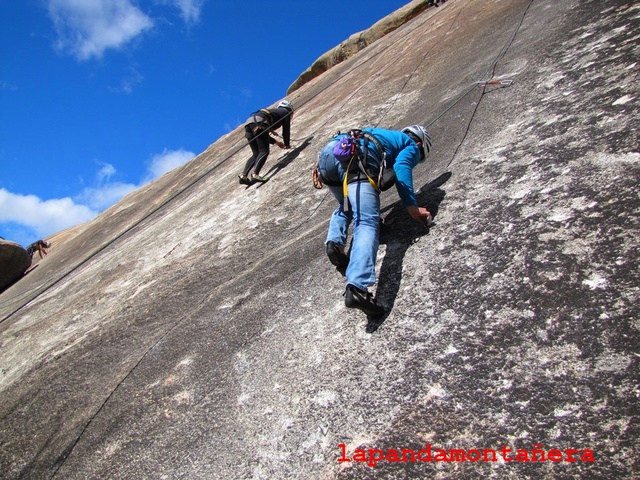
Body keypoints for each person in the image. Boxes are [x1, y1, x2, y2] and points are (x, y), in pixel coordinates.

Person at [316, 126, 433, 316]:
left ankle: (335, 243)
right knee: (366, 222)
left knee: (347, 204)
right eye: (418, 158)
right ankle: (357, 289)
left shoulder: (386, 136)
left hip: (331, 153)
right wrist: (412, 207)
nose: (415, 160)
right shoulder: (411, 144)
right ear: (419, 143)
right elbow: (401, 166)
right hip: (357, 156)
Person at [239, 100, 294, 185]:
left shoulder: (275, 113)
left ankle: (244, 176)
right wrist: (287, 144)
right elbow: (286, 130)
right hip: (259, 122)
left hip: (249, 124)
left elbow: (263, 136)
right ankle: (255, 175)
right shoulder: (285, 112)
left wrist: (276, 142)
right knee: (264, 151)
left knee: (256, 153)